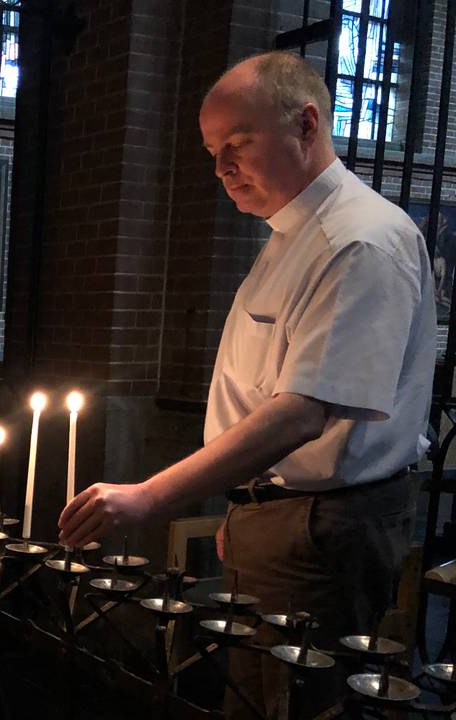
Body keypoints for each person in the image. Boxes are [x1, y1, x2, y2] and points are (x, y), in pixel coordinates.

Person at [56, 51, 435, 717]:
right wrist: (245, 505)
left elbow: (299, 414)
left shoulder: (360, 241)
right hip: (280, 516)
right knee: (253, 697)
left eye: (238, 142)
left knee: (294, 705)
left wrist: (150, 497)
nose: (220, 166)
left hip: (324, 528)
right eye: (212, 149)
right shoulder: (289, 236)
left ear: (307, 124)